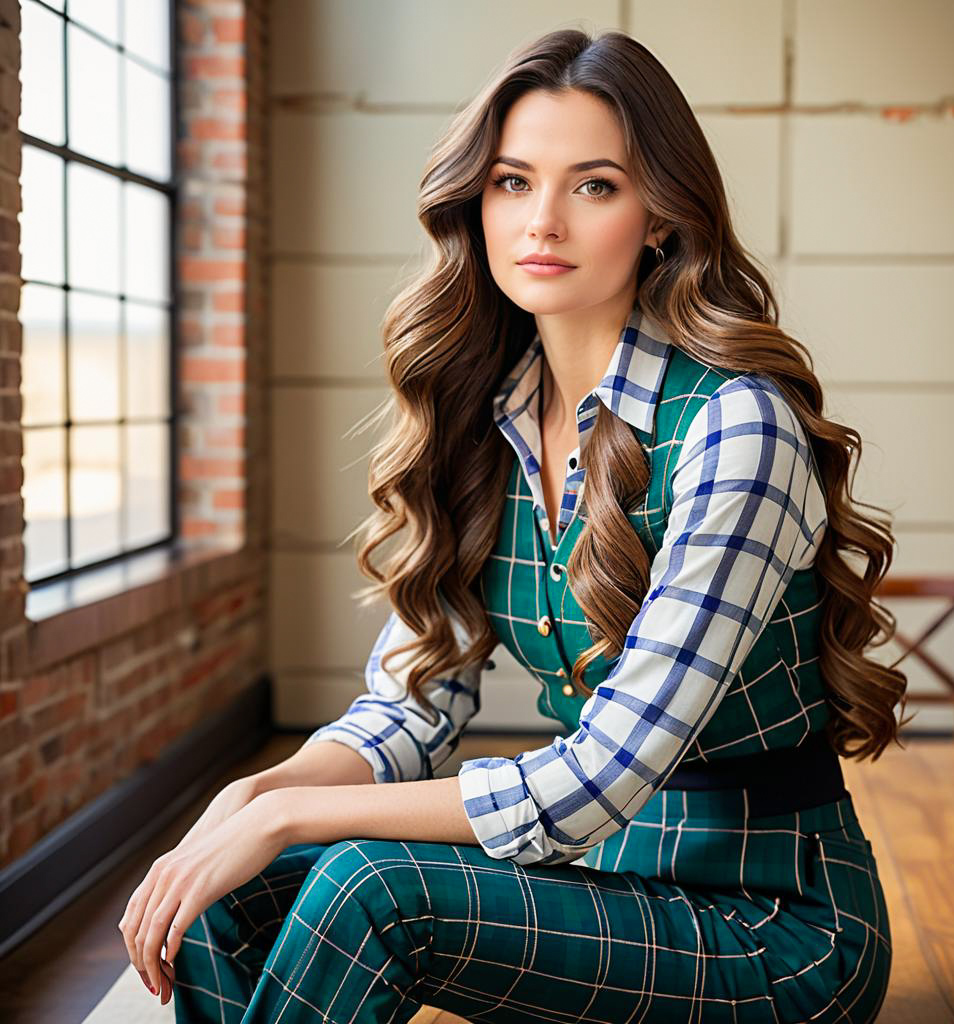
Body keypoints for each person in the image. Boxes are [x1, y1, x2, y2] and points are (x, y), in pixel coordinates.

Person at [119, 27, 909, 1024]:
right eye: (509, 181)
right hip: (609, 891)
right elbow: (411, 705)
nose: (541, 220)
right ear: (474, 200)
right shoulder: (483, 418)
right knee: (221, 893)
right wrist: (253, 797)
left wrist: (290, 815)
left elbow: (596, 783)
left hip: (777, 926)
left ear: (659, 217)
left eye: (592, 186)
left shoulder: (734, 428)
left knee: (368, 890)